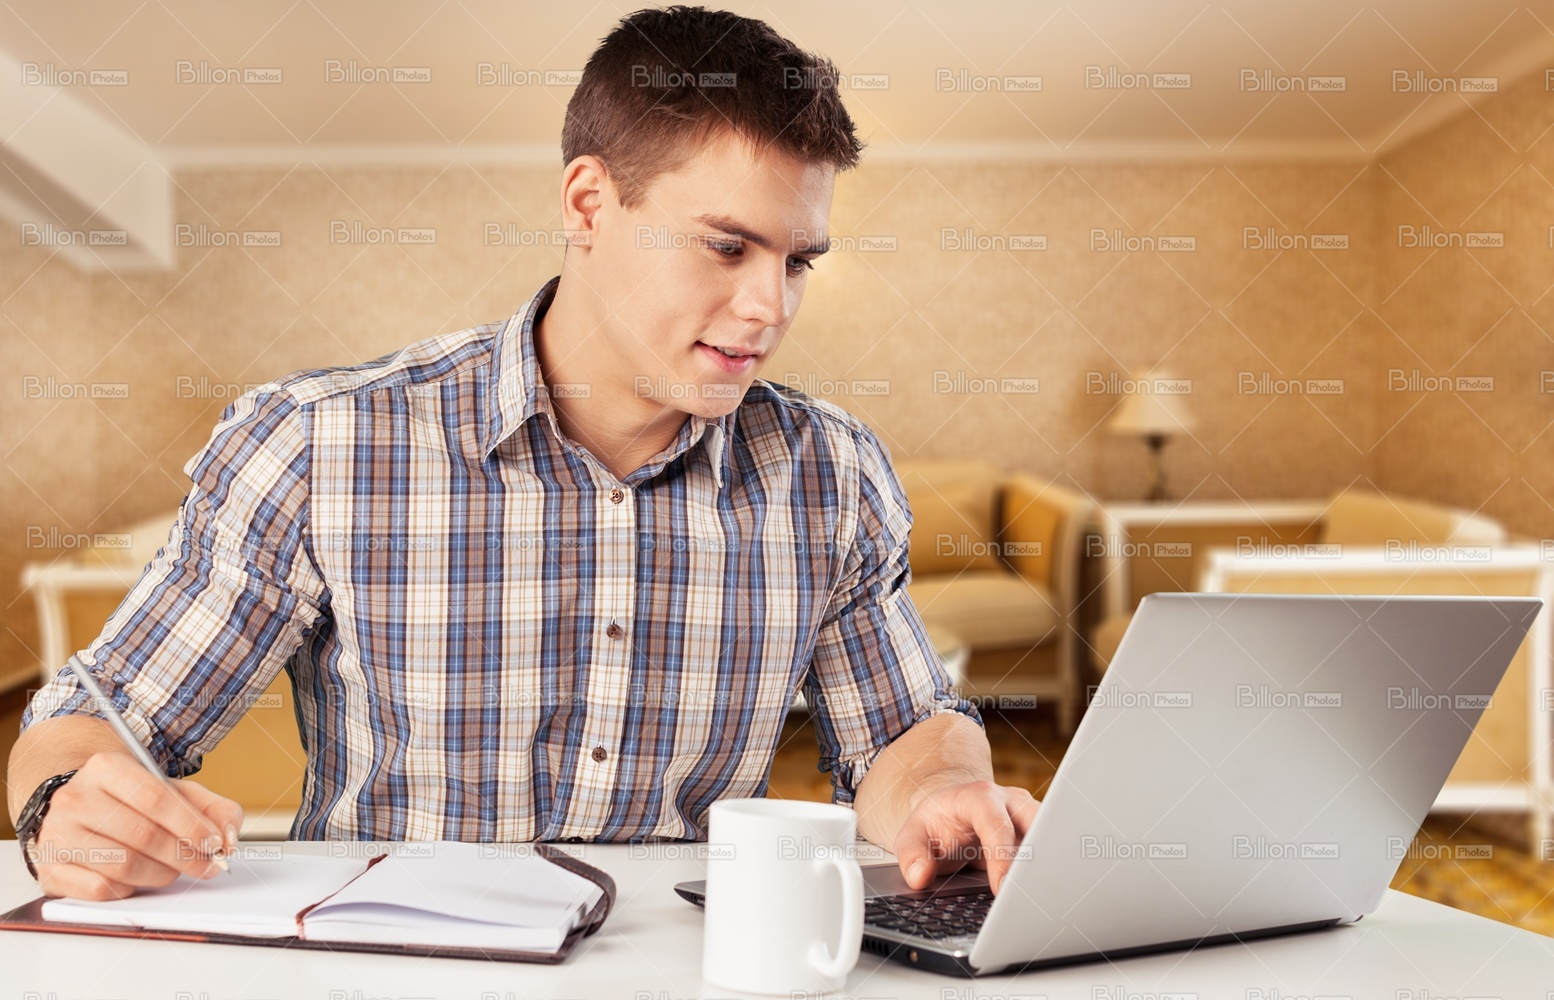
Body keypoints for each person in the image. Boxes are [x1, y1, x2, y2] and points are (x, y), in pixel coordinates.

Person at [7, 4, 1039, 902]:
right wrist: (68, 803)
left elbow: (904, 731)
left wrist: (944, 794)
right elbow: (94, 723)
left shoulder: (830, 473)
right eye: (728, 246)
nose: (770, 306)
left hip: (691, 964)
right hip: (394, 960)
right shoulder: (319, 443)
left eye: (798, 260)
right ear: (588, 204)